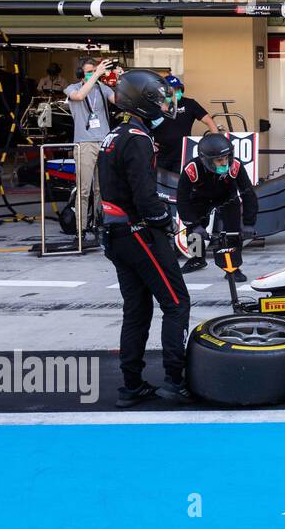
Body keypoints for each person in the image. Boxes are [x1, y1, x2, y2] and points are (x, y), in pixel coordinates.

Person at [98, 70, 191, 407]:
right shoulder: (138, 138)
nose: (165, 102)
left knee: (136, 310)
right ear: (143, 100)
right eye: (158, 97)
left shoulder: (115, 134)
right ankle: (174, 379)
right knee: (177, 304)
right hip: (137, 232)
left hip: (115, 233)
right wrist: (164, 220)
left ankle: (131, 384)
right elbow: (145, 197)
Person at [177, 132, 258, 282]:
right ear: (206, 160)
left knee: (233, 231)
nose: (224, 163)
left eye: (227, 158)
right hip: (200, 198)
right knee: (194, 232)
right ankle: (197, 259)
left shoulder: (236, 166)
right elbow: (182, 200)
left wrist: (249, 223)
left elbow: (248, 194)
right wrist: (194, 225)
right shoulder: (191, 169)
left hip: (227, 197)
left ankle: (233, 268)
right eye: (219, 160)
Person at [64, 55, 117, 236]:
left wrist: (122, 80)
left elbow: (119, 101)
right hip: (84, 143)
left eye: (94, 71)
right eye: (89, 72)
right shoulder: (72, 88)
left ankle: (100, 223)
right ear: (80, 73)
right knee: (84, 188)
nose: (92, 74)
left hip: (103, 141)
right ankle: (81, 228)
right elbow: (79, 96)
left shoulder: (103, 88)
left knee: (102, 188)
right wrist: (96, 76)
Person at [152, 75, 218, 173]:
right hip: (160, 155)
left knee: (179, 184)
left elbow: (209, 121)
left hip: (182, 155)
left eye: (177, 89)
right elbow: (144, 125)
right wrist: (149, 142)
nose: (175, 92)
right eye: (171, 90)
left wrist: (216, 142)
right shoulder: (155, 105)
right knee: (157, 183)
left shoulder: (190, 104)